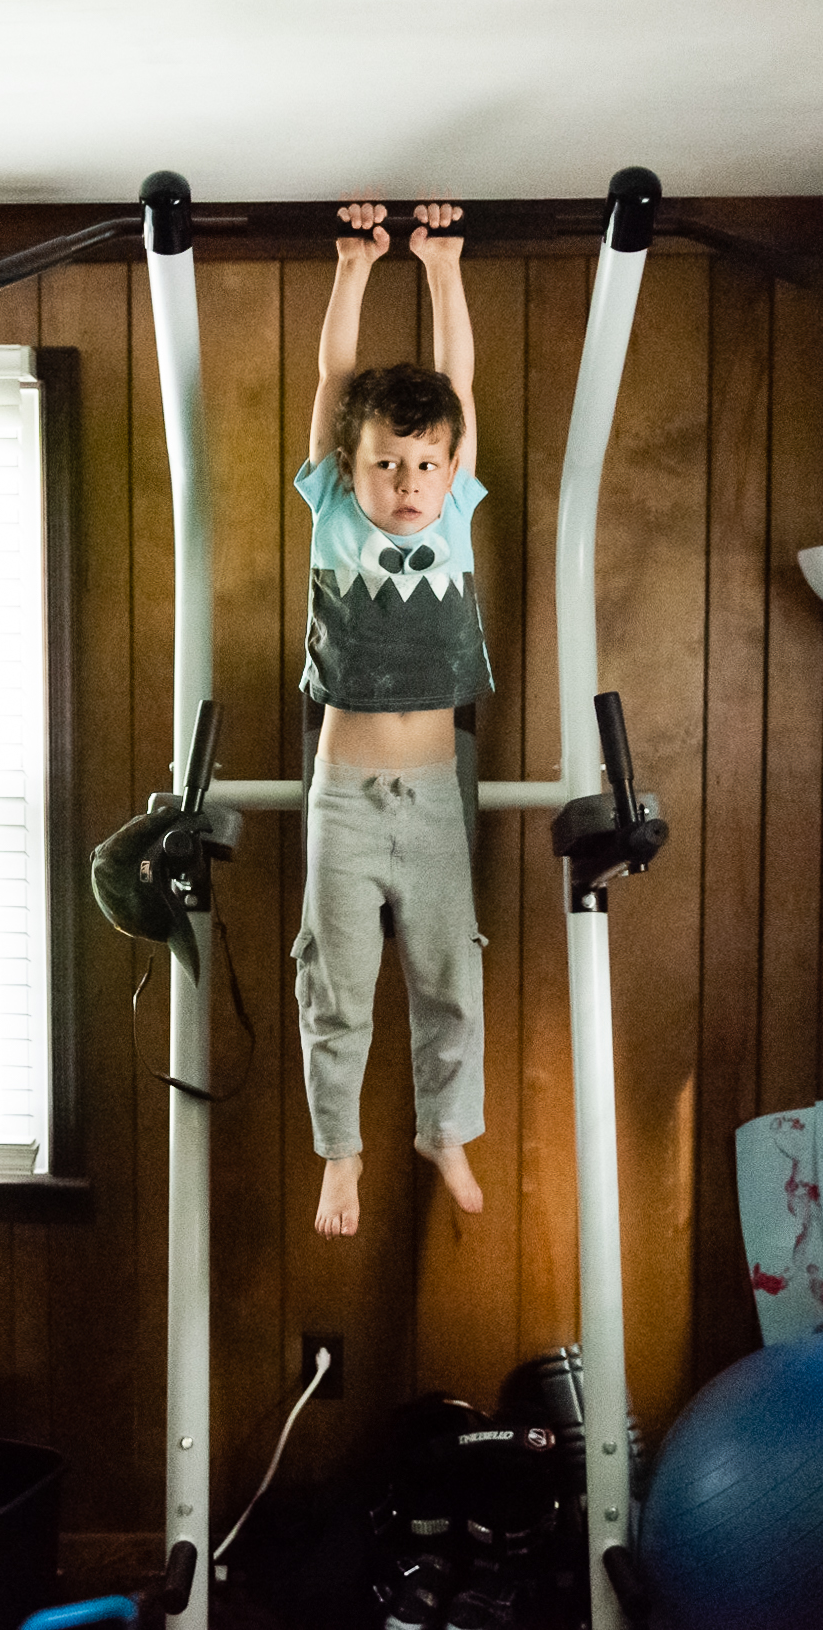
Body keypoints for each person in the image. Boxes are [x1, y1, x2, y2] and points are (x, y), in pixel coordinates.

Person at [294, 201, 490, 1239]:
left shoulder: (455, 504)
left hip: (430, 793)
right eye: (385, 464)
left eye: (422, 465)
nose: (406, 483)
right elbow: (333, 383)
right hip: (344, 795)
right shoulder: (330, 507)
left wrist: (445, 268)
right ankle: (339, 1153)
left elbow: (456, 389)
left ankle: (441, 1125)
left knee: (449, 973)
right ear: (351, 466)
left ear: (450, 470)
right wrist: (354, 267)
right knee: (336, 985)